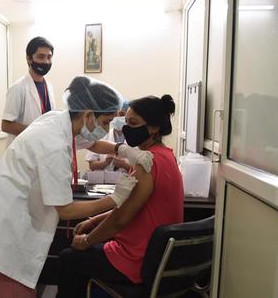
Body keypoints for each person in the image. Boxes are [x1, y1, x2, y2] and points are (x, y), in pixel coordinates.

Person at [0, 76, 155, 298]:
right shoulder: (54, 145)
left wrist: (123, 150)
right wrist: (115, 199)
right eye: (106, 122)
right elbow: (66, 210)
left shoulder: (58, 120)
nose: (108, 127)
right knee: (16, 288)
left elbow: (92, 142)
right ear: (88, 116)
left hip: (19, 212)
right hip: (14, 227)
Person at [56, 95, 183, 298]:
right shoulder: (166, 155)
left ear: (153, 127)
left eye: (133, 123)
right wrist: (95, 220)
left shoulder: (147, 163)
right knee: (80, 253)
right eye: (126, 122)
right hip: (154, 253)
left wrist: (87, 240)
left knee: (68, 257)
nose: (126, 129)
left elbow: (121, 219)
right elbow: (130, 208)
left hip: (138, 258)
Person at [2, 36, 56, 146]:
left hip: (43, 149)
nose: (46, 62)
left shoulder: (49, 87)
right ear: (29, 58)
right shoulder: (18, 88)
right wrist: (36, 133)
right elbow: (6, 125)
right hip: (22, 152)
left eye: (49, 57)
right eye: (41, 57)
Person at [85, 101, 131, 172]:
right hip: (104, 181)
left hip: (127, 181)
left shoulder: (136, 139)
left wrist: (126, 165)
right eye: (114, 115)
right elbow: (92, 165)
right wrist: (105, 163)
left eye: (121, 114)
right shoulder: (101, 135)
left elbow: (142, 169)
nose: (117, 117)